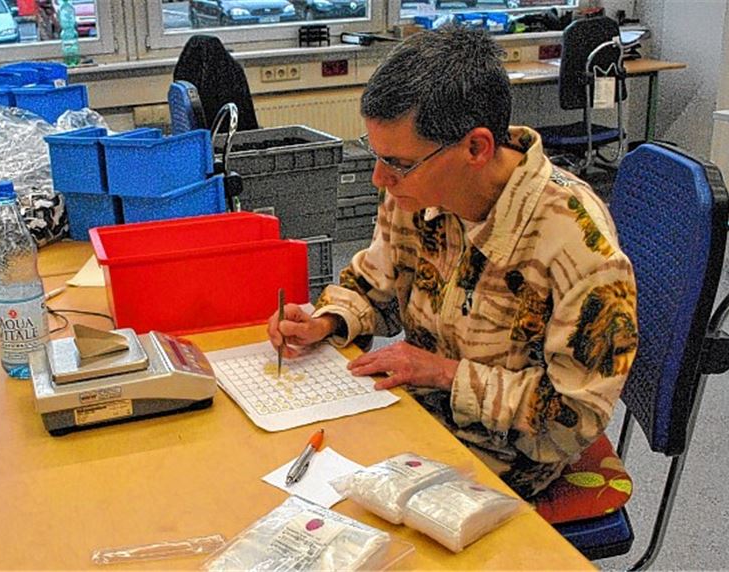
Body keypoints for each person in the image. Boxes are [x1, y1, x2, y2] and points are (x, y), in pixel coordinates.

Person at [267, 26, 639, 499]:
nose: (382, 179)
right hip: (421, 419)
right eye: (376, 156)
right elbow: (373, 286)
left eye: (398, 163)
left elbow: (575, 417)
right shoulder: (415, 194)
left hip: (507, 460)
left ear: (477, 148)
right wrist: (323, 321)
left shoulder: (578, 246)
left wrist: (442, 373)